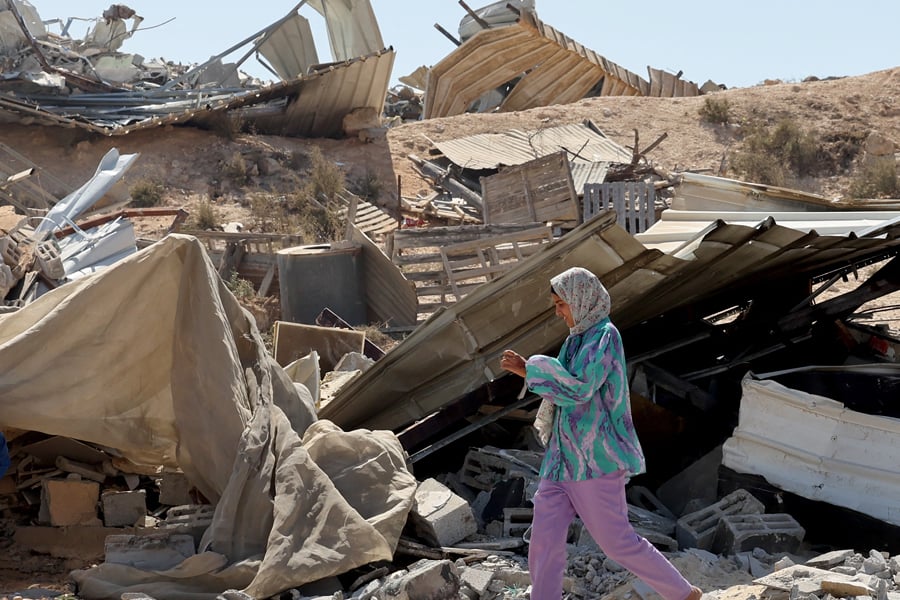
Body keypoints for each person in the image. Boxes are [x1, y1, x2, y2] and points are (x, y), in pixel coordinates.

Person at [500, 266, 702, 600]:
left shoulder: (605, 336)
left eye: (561, 304)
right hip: (562, 460)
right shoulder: (575, 340)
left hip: (595, 461)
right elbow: (563, 389)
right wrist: (533, 370)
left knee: (617, 543)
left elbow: (579, 388)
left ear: (581, 299)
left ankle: (682, 593)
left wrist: (530, 368)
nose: (558, 312)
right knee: (544, 540)